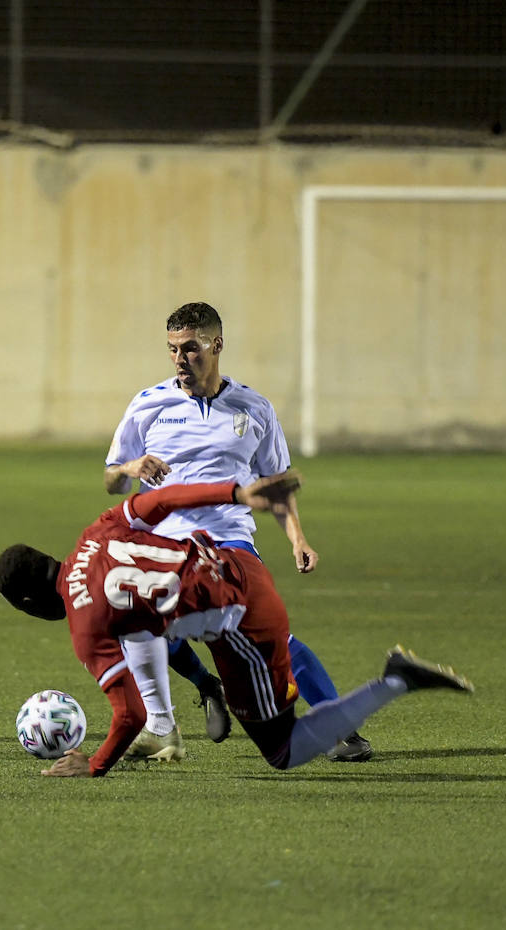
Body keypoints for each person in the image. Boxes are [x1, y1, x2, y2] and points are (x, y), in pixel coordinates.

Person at [0, 473, 473, 777]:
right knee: (146, 627)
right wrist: (237, 493)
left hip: (242, 621)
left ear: (28, 603)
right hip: (237, 563)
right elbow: (164, 499)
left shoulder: (85, 627)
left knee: (283, 751)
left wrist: (93, 765)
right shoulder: (97, 530)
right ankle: (205, 690)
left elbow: (129, 715)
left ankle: (394, 681)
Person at [103, 302, 372, 763]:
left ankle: (339, 726)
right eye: (172, 349)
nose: (180, 359)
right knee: (133, 618)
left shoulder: (254, 408)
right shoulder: (148, 404)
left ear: (217, 345)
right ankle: (186, 704)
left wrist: (297, 539)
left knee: (268, 637)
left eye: (191, 348)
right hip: (163, 545)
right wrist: (129, 467)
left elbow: (277, 484)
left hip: (228, 543)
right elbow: (112, 479)